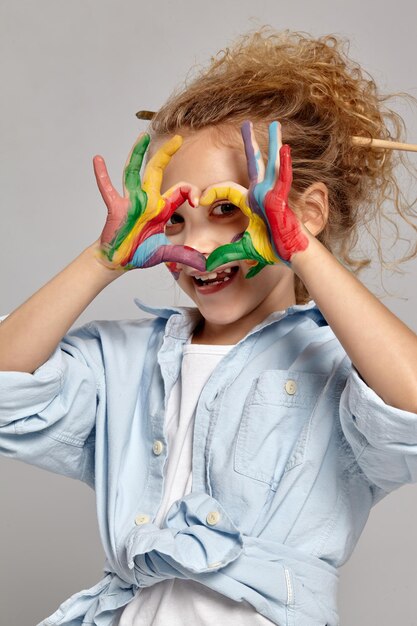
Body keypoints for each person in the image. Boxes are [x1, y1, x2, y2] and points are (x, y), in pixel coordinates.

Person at [1, 26, 417, 626]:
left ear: (308, 212)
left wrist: (298, 247)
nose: (196, 246)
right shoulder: (124, 362)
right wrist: (100, 260)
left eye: (228, 211)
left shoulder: (335, 369)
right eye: (174, 219)